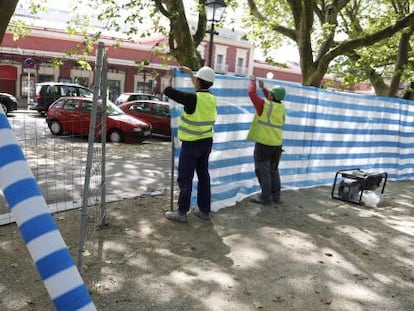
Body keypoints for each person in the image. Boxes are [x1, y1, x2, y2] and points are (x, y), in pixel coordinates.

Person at [163, 66, 217, 222]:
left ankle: (181, 212)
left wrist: (168, 77)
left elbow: (168, 91)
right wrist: (190, 74)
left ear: (199, 82)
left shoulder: (192, 98)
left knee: (185, 178)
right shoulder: (211, 98)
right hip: (206, 142)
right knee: (203, 176)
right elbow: (201, 86)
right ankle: (205, 211)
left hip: (191, 144)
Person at [247, 76, 286, 205]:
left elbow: (252, 94)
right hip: (277, 145)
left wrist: (253, 82)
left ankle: (265, 197)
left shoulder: (264, 105)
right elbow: (273, 98)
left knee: (263, 171)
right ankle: (276, 196)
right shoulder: (281, 108)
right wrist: (263, 88)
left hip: (264, 144)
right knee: (273, 171)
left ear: (271, 96)